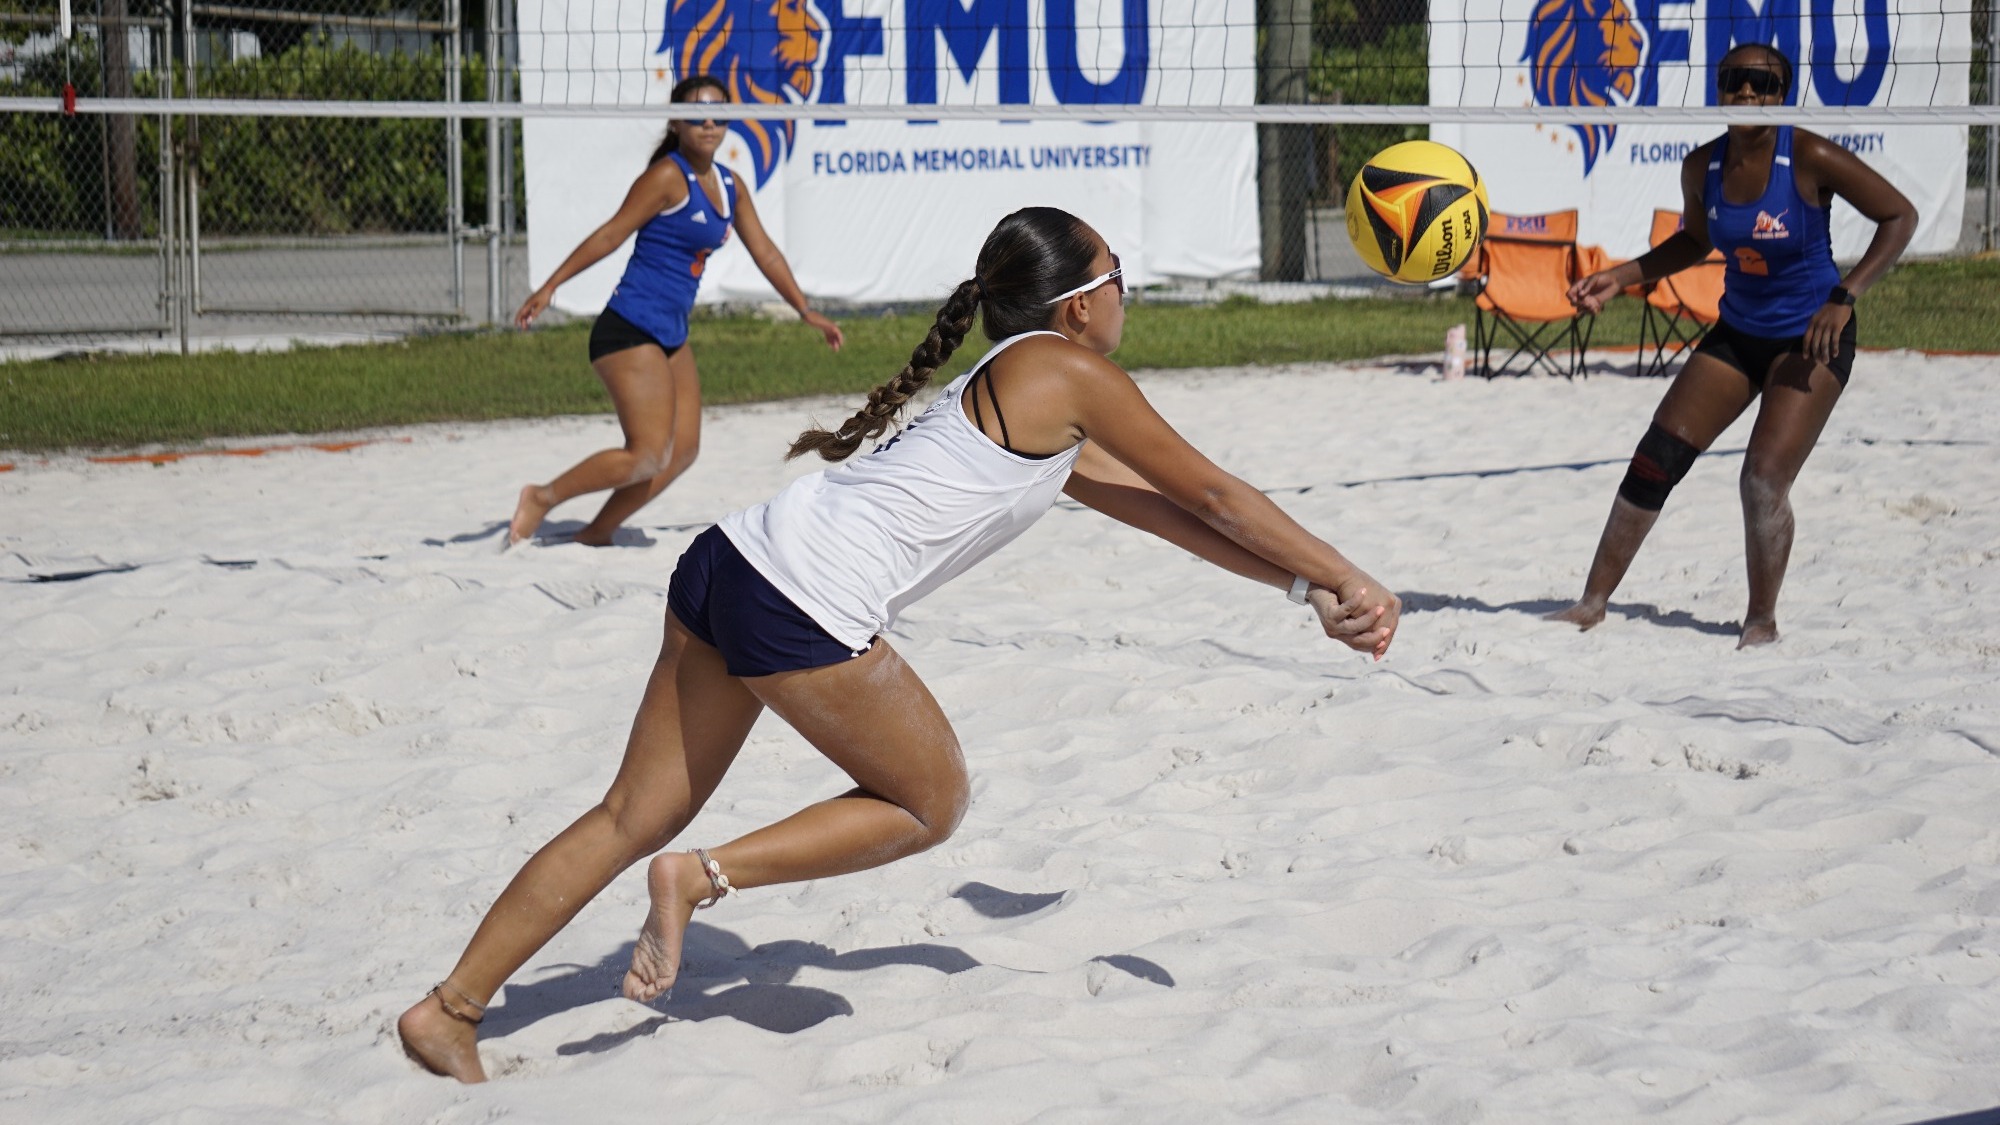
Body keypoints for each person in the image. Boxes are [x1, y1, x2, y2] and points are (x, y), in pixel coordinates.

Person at [397, 206, 1403, 1082]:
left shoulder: (1029, 387)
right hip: (801, 604)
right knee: (930, 801)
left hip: (731, 561)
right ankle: (699, 878)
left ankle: (449, 1010)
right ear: (1079, 307)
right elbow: (1214, 490)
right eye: (1118, 279)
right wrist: (1351, 573)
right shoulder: (1065, 372)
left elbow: (1163, 516)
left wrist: (1300, 583)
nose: (1124, 298)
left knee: (630, 813)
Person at [1550, 43, 1916, 647]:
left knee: (1761, 480)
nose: (1748, 94)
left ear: (1782, 95)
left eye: (1762, 84)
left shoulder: (1810, 156)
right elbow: (1694, 241)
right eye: (1734, 82)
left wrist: (1845, 295)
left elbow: (1900, 216)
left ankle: (1761, 621)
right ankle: (1592, 602)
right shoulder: (1703, 167)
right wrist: (1621, 276)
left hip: (1812, 336)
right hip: (1739, 332)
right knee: (1653, 461)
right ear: (1720, 91)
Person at [508, 75, 845, 547]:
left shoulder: (730, 185)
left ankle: (597, 532)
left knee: (682, 451)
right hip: (629, 327)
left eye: (718, 114)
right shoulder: (668, 176)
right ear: (676, 121)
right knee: (645, 455)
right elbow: (611, 234)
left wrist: (804, 309)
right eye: (696, 114)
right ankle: (542, 497)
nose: (708, 123)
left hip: (670, 333)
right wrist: (550, 286)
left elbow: (765, 251)